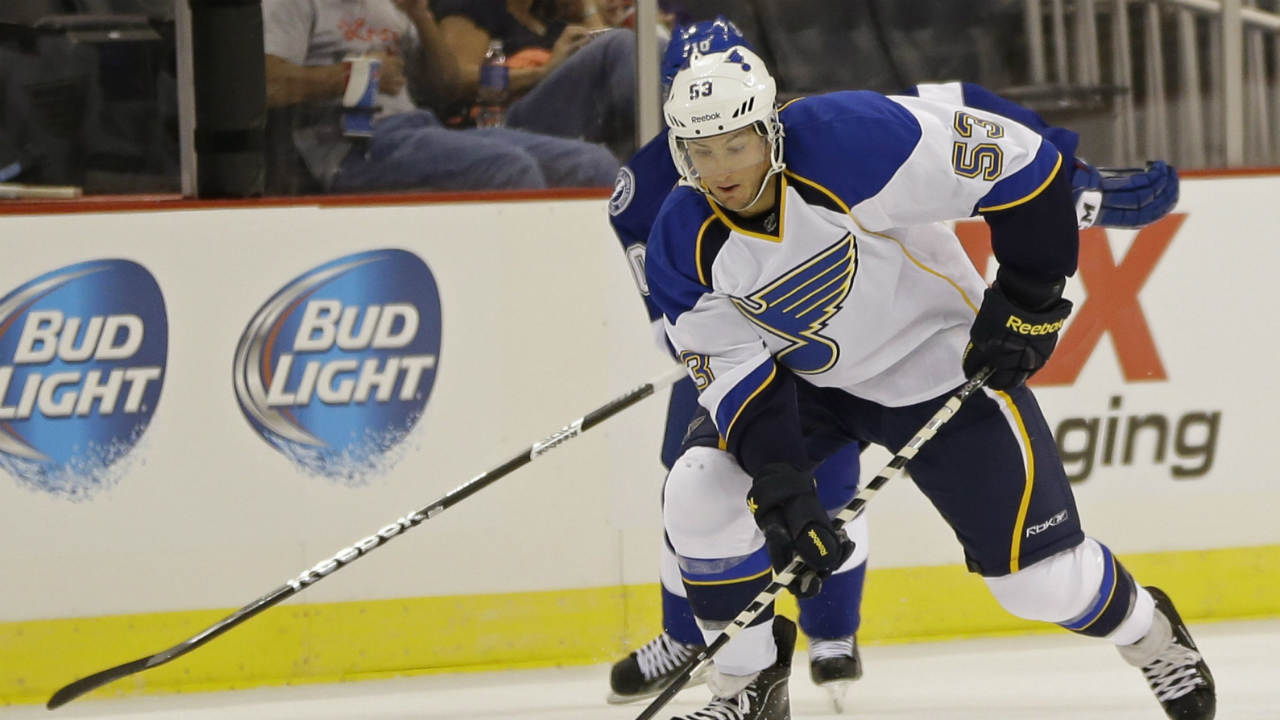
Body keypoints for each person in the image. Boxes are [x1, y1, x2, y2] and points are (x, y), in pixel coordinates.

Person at [604, 18, 1181, 715]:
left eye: (737, 143)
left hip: (936, 364)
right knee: (697, 491)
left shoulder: (855, 140)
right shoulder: (680, 238)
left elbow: (1028, 168)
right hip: (809, 386)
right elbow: (734, 374)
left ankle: (1150, 634)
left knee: (1039, 582)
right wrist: (784, 490)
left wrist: (1028, 299)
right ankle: (747, 685)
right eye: (701, 151)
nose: (722, 169)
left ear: (771, 128)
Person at [262, 0, 619, 193]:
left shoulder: (388, 6)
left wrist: (421, 15)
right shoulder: (291, 4)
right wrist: (347, 76)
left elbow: (444, 87)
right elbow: (267, 82)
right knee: (507, 168)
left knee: (593, 166)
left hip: (420, 129)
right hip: (349, 147)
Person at [435, 0, 640, 158]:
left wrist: (586, 8)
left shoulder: (549, 20)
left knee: (647, 49)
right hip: (499, 125)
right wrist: (540, 73)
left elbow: (609, 58)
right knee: (622, 44)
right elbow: (458, 79)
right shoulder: (475, 6)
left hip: (567, 124)